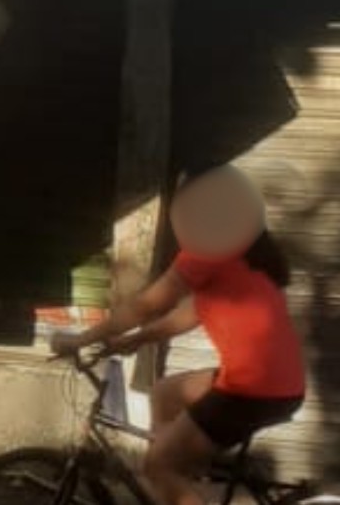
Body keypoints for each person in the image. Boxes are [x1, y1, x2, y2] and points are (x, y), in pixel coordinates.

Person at [51, 165, 307, 505]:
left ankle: (172, 478)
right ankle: (179, 485)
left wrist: (80, 339)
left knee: (157, 466)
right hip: (276, 385)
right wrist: (136, 340)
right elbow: (190, 314)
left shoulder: (210, 247)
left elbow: (146, 305)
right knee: (166, 392)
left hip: (252, 389)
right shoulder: (246, 251)